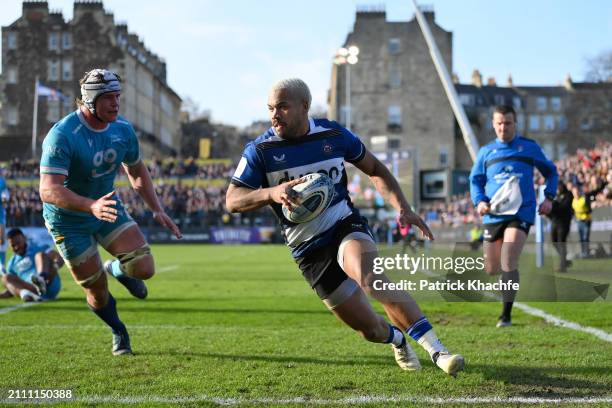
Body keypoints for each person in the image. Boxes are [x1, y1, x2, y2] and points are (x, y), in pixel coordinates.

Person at [226, 78, 464, 376]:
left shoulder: (335, 135)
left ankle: (437, 350)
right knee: (371, 330)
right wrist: (271, 193)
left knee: (369, 275)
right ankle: (398, 339)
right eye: (271, 108)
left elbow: (375, 168)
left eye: (283, 107)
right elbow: (232, 200)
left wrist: (403, 208)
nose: (275, 115)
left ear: (305, 107)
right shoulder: (260, 151)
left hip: (343, 224)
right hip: (308, 250)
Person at [39, 69, 182, 355]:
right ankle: (118, 329)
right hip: (68, 221)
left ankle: (116, 268)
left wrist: (156, 209)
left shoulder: (122, 130)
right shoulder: (63, 135)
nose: (115, 103)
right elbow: (48, 190)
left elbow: (136, 169)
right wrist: (90, 205)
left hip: (107, 206)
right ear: (89, 101)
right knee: (97, 292)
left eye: (117, 96)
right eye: (108, 98)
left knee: (144, 268)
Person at [470, 105, 557, 327]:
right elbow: (475, 180)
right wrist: (480, 200)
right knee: (492, 268)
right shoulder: (486, 152)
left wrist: (549, 197)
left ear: (514, 124)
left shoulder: (528, 147)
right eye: (499, 123)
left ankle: (505, 316)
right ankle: (506, 280)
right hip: (493, 214)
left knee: (509, 259)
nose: (503, 127)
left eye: (507, 123)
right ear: (493, 124)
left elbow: (551, 171)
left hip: (521, 212)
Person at [0, 228, 63, 302]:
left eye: (18, 243)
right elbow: (13, 287)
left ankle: (41, 278)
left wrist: (55, 268)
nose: (16, 247)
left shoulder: (37, 246)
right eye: (13, 245)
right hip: (32, 289)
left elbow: (58, 257)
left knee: (40, 255)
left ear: (24, 238)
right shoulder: (12, 263)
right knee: (6, 278)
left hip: (49, 283)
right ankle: (26, 294)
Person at [571, 181, 606, 258]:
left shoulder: (584, 198)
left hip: (586, 220)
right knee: (581, 238)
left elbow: (589, 209)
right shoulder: (573, 200)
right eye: (574, 192)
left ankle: (586, 252)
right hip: (579, 221)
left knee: (585, 237)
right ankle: (583, 252)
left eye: (577, 192)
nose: (576, 193)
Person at [548, 181, 573, 271]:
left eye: (559, 186)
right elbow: (550, 210)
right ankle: (564, 259)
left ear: (563, 186)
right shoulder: (555, 196)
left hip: (564, 222)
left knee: (561, 242)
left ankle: (562, 266)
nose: (558, 188)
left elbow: (565, 207)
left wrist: (553, 207)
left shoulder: (568, 194)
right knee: (554, 241)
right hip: (555, 222)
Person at [0, 169, 9, 273]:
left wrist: (5, 198)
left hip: (0, 212)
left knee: (1, 239)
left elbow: (5, 196)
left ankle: (2, 266)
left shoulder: (2, 181)